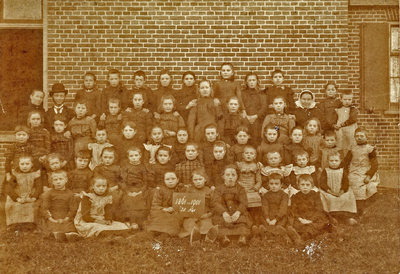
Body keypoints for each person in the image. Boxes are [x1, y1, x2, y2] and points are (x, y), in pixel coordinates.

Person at [211, 165, 252, 246]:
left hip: (237, 211)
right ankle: (224, 237)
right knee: (219, 222)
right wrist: (224, 213)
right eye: (227, 175)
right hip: (223, 211)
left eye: (233, 175)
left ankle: (242, 237)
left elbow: (244, 202)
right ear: (223, 176)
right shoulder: (218, 189)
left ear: (237, 176)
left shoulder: (240, 189)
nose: (230, 177)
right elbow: (215, 202)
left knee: (243, 221)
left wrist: (238, 213)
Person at [344, 128, 379, 216]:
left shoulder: (370, 149)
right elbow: (346, 161)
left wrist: (369, 176)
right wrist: (344, 171)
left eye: (362, 136)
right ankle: (351, 208)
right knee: (351, 181)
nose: (359, 138)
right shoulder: (352, 148)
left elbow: (375, 165)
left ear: (366, 137)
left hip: (365, 170)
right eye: (357, 136)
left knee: (361, 183)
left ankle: (360, 209)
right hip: (354, 170)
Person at [287, 174, 329, 244]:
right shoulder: (295, 197)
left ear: (312, 186)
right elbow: (294, 211)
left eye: (307, 185)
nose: (305, 187)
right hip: (301, 219)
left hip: (314, 218)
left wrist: (310, 220)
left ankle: (300, 238)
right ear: (298, 186)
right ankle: (299, 236)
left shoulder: (315, 196)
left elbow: (319, 210)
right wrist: (301, 219)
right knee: (295, 224)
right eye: (302, 185)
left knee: (319, 224)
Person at [4, 154, 42, 231]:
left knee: (32, 206)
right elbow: (9, 188)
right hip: (18, 195)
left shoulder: (35, 175)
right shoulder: (15, 175)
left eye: (27, 164)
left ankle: (30, 224)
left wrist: (33, 197)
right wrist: (17, 198)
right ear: (19, 164)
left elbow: (39, 187)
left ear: (32, 165)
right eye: (22, 164)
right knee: (14, 205)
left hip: (30, 195)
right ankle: (14, 224)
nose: (25, 166)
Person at [179, 168, 218, 245]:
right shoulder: (189, 190)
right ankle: (194, 238)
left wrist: (209, 214)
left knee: (206, 224)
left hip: (204, 215)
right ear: (192, 181)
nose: (198, 182)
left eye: (200, 179)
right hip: (192, 215)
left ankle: (207, 237)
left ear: (205, 180)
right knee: (190, 224)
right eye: (195, 180)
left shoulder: (209, 191)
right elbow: (184, 203)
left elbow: (214, 205)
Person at [319, 151, 357, 225]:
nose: (334, 163)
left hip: (341, 192)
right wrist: (330, 192)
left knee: (346, 197)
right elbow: (322, 183)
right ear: (328, 161)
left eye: (336, 161)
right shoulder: (326, 171)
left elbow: (345, 183)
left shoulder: (342, 171)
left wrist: (341, 192)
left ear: (340, 161)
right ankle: (331, 217)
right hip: (329, 192)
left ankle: (347, 218)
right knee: (328, 198)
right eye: (331, 161)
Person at [40, 170, 79, 241]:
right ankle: (57, 235)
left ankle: (70, 235)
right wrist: (51, 219)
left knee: (69, 227)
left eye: (60, 179)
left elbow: (73, 209)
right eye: (55, 180)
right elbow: (44, 209)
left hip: (66, 216)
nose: (58, 182)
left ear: (66, 180)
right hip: (53, 217)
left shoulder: (70, 194)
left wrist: (66, 218)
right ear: (52, 181)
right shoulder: (49, 194)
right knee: (53, 227)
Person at [145, 171, 184, 238]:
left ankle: (165, 234)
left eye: (173, 179)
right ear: (164, 180)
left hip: (175, 212)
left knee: (174, 219)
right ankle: (153, 232)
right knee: (159, 217)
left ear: (177, 180)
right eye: (167, 179)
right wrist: (164, 209)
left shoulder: (182, 189)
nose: (170, 181)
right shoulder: (160, 190)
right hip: (162, 210)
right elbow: (155, 205)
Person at [120, 147, 149, 228]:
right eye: (131, 156)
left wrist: (140, 191)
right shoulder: (126, 167)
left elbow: (145, 181)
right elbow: (122, 181)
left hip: (140, 189)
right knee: (128, 199)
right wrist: (128, 191)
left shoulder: (143, 167)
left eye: (136, 155)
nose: (134, 158)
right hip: (128, 188)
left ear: (140, 156)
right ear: (128, 157)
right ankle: (130, 220)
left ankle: (139, 221)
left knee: (141, 199)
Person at [236, 146, 263, 230]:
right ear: (243, 155)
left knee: (257, 205)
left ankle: (256, 224)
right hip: (241, 190)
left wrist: (256, 188)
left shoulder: (256, 166)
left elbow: (259, 181)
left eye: (251, 153)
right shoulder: (239, 165)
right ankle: (247, 225)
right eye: (246, 153)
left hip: (252, 190)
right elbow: (235, 178)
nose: (249, 155)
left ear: (255, 156)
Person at [260, 173, 290, 242]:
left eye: (276, 184)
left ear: (281, 185)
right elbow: (265, 207)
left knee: (282, 223)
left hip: (279, 216)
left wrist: (275, 219)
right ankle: (267, 234)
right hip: (269, 215)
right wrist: (267, 218)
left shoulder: (284, 195)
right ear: (268, 184)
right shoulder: (266, 195)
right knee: (263, 221)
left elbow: (283, 208)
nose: (274, 186)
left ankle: (273, 234)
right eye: (271, 184)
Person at [242, 72, 267, 146]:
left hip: (257, 119)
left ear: (257, 81)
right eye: (249, 80)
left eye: (253, 80)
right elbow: (241, 105)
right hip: (246, 118)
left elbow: (264, 107)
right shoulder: (242, 93)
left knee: (256, 137)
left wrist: (256, 116)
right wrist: (247, 116)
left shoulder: (261, 94)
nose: (252, 82)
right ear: (246, 82)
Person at [334, 90, 358, 155]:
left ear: (352, 100)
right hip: (340, 132)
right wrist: (335, 125)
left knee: (351, 147)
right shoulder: (338, 110)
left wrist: (342, 124)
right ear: (341, 100)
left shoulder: (352, 109)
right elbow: (335, 120)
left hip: (350, 131)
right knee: (340, 147)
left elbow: (353, 119)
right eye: (345, 99)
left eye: (349, 99)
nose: (347, 101)